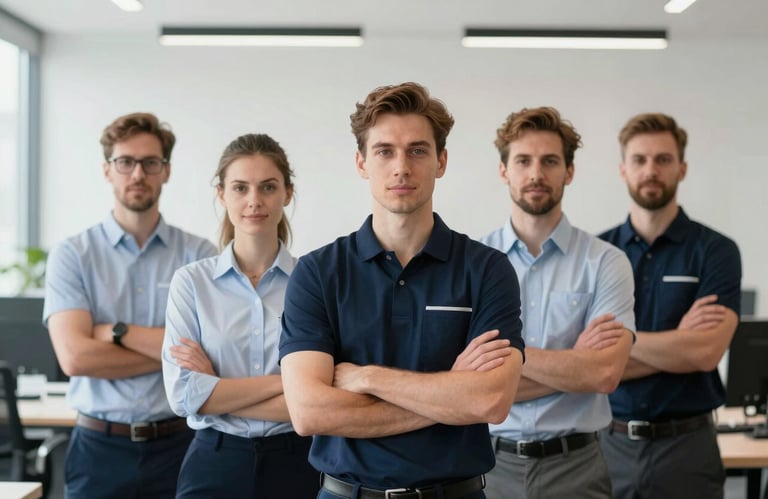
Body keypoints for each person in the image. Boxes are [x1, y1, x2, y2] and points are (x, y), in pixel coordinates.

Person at [279, 82, 525, 499]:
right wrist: (450, 393)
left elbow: (489, 401)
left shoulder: (487, 269)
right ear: (361, 162)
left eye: (417, 151)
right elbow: (309, 412)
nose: (401, 167)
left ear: (441, 161)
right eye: (384, 151)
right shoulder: (317, 273)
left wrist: (366, 377)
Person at [43, 112, 217, 498]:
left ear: (166, 171)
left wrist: (116, 333)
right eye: (125, 162)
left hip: (181, 446)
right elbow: (75, 358)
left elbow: (213, 354)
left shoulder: (199, 256)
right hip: (98, 450)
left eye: (150, 162)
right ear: (107, 170)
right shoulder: (73, 255)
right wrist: (175, 355)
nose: (138, 174)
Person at [479, 107, 635, 499]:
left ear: (569, 171)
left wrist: (504, 361)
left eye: (550, 161)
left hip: (577, 468)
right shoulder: (473, 263)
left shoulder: (606, 261)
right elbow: (468, 384)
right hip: (487, 466)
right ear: (503, 171)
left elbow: (603, 374)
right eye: (523, 161)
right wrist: (573, 363)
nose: (536, 174)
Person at [161, 133, 318, 498]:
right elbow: (184, 396)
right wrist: (289, 383)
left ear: (288, 193)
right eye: (240, 188)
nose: (254, 200)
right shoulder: (192, 283)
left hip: (297, 462)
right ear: (222, 194)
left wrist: (217, 386)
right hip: (214, 462)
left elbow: (322, 401)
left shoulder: (314, 282)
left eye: (268, 187)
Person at [599, 112, 742, 499]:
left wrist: (617, 345)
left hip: (687, 449)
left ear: (682, 168)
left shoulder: (716, 251)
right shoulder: (598, 254)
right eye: (639, 160)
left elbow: (705, 352)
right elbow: (590, 362)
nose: (651, 170)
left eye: (663, 159)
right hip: (608, 446)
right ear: (623, 169)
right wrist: (679, 340)